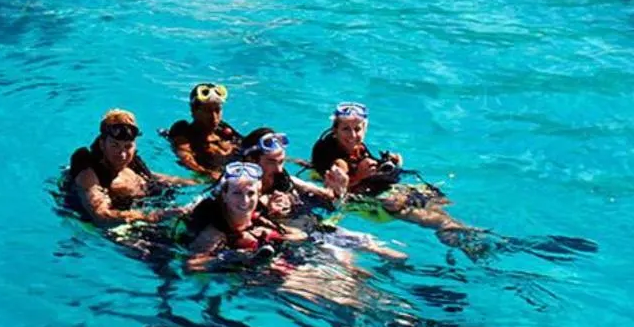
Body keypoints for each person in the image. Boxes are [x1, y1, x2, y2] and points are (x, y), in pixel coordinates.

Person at [308, 102, 480, 245]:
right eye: (346, 129)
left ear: (365, 129)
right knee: (423, 214)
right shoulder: (330, 153)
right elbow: (335, 191)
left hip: (373, 187)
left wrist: (392, 164)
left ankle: (460, 229)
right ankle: (454, 236)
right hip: (363, 198)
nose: (353, 135)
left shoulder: (357, 147)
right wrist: (359, 176)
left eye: (358, 129)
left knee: (438, 201)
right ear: (335, 130)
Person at [243, 127, 407, 262]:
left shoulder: (285, 179)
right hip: (298, 241)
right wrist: (270, 213)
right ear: (251, 160)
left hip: (317, 228)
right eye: (271, 162)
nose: (279, 169)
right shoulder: (244, 192)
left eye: (281, 161)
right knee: (346, 262)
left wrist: (339, 188)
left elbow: (330, 200)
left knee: (392, 254)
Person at [63, 109, 193, 226]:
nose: (122, 154)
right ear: (102, 145)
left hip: (154, 206)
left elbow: (152, 176)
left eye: (128, 146)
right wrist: (153, 216)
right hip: (127, 226)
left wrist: (196, 183)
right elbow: (101, 215)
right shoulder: (89, 174)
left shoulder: (131, 162)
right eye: (115, 146)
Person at [180, 162, 299, 269]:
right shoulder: (214, 233)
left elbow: (300, 235)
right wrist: (237, 258)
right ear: (224, 195)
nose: (245, 200)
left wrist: (277, 234)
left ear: (259, 194)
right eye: (237, 193)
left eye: (251, 193)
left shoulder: (259, 219)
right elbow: (192, 265)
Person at [166, 81, 243, 176]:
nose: (214, 117)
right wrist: (208, 174)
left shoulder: (223, 129)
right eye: (207, 111)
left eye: (217, 110)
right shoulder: (183, 131)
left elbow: (248, 145)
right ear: (193, 111)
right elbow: (186, 158)